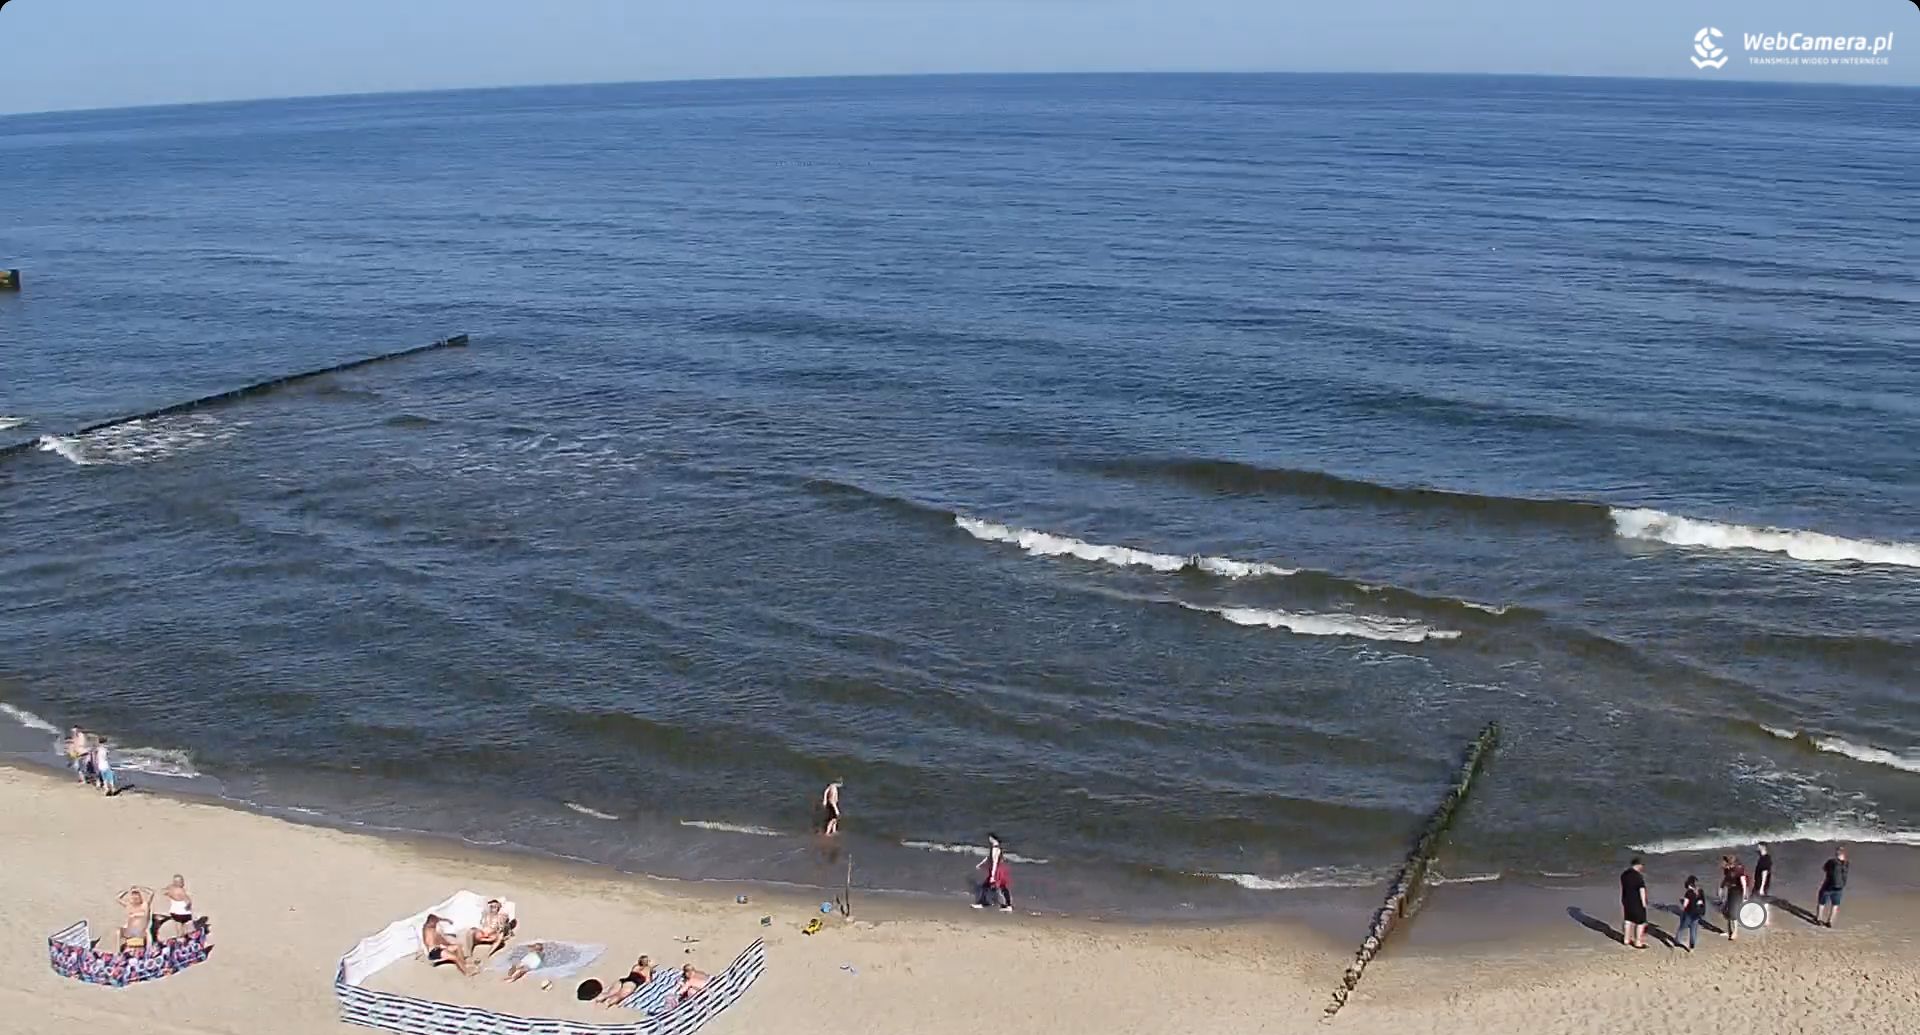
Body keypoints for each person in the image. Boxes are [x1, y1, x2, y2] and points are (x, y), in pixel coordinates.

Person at [973, 833, 1013, 912]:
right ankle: (1008, 905)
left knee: (986, 886)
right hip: (1000, 870)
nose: (989, 840)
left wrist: (992, 875)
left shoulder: (995, 849)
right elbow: (988, 858)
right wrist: (980, 864)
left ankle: (983, 903)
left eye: (990, 838)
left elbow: (994, 862)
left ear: (993, 839)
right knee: (1002, 887)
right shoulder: (996, 848)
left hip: (997, 870)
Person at [151, 874, 194, 941]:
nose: (183, 883)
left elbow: (163, 891)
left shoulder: (171, 888)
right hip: (183, 910)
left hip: (174, 910)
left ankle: (180, 937)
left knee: (178, 924)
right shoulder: (181, 890)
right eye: (181, 881)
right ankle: (184, 936)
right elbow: (186, 899)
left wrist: (169, 895)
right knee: (184, 924)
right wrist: (189, 904)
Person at [1618, 857, 1648, 949]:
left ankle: (1626, 939)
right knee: (1640, 922)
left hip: (1626, 900)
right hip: (1636, 901)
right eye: (1641, 865)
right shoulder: (1638, 876)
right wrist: (1644, 903)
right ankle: (1638, 942)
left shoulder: (1624, 874)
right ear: (1638, 865)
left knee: (1628, 919)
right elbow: (1641, 889)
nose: (1642, 867)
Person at [116, 886, 154, 953]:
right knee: (117, 931)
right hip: (129, 931)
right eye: (133, 897)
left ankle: (148, 951)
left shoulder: (145, 905)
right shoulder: (129, 905)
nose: (135, 898)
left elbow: (151, 893)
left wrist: (140, 888)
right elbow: (117, 898)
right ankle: (118, 952)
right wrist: (127, 890)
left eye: (137, 897)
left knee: (147, 934)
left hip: (141, 932)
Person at [1817, 846, 1848, 928]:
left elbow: (1824, 868)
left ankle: (1819, 919)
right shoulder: (1846, 863)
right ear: (1844, 854)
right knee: (1835, 904)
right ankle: (1830, 922)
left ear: (1836, 853)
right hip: (1839, 887)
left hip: (1828, 885)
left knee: (1821, 902)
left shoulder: (1831, 861)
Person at [1720, 854, 1749, 941]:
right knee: (1727, 911)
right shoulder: (1727, 870)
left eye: (1725, 861)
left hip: (1737, 892)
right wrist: (1721, 888)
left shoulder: (1739, 869)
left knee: (1733, 913)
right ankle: (1729, 931)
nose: (1723, 863)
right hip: (1730, 891)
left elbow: (1744, 883)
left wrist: (1744, 896)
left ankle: (1735, 932)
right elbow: (1726, 880)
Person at [1675, 875, 1707, 952]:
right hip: (1697, 914)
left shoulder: (1688, 893)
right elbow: (1702, 902)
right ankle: (1691, 947)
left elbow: (1685, 905)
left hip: (1689, 914)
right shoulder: (1700, 891)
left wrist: (1682, 902)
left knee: (1682, 927)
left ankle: (1677, 940)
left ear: (1688, 885)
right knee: (1693, 930)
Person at [1752, 843, 1774, 925]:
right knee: (1757, 898)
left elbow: (1764, 873)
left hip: (1762, 883)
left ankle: (1765, 919)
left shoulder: (1765, 859)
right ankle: (1762, 917)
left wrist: (1762, 887)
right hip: (1759, 882)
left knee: (1760, 899)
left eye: (1759, 847)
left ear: (1763, 848)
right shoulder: (1763, 858)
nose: (1757, 849)